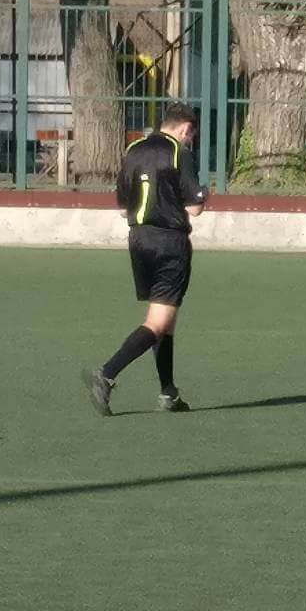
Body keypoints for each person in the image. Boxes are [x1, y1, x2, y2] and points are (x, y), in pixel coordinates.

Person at [84, 103, 208, 417]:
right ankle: (106, 374)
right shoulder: (180, 152)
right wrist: (205, 194)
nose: (190, 140)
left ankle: (168, 392)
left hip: (138, 241)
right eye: (191, 135)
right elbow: (194, 208)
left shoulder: (134, 149)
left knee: (165, 319)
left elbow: (123, 209)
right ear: (185, 128)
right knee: (158, 322)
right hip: (169, 243)